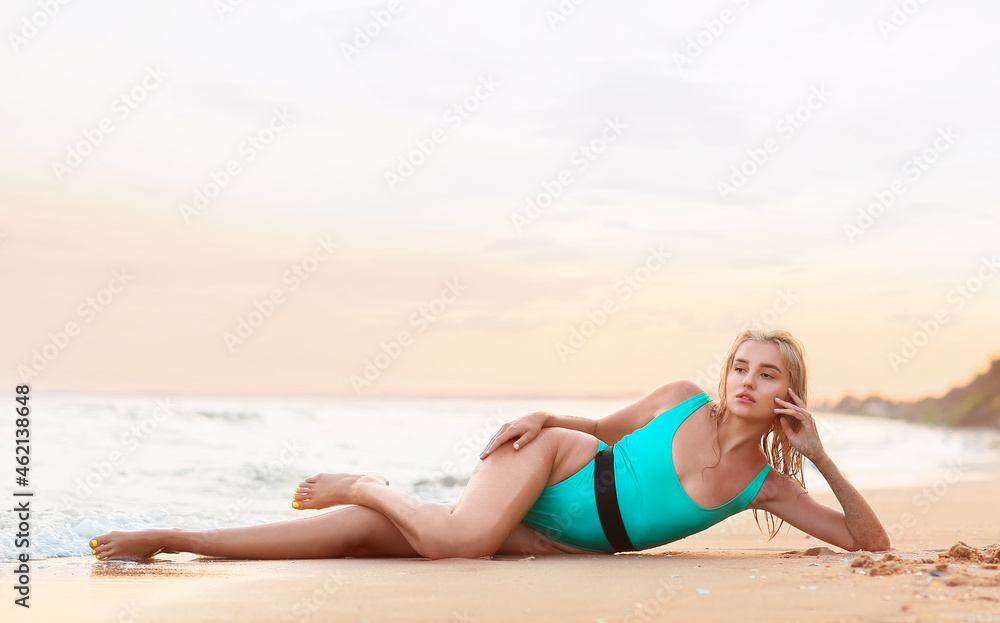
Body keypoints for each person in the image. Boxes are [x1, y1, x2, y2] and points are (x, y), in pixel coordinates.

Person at [88, 328, 890, 561]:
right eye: (739, 366)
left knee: (365, 542)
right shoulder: (681, 401)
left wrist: (818, 456)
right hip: (553, 460)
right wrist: (540, 416)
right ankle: (367, 479)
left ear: (790, 393)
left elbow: (870, 541)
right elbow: (600, 430)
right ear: (724, 373)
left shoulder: (766, 485)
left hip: (550, 535)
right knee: (458, 539)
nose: (746, 380)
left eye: (766, 374)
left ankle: (178, 537)